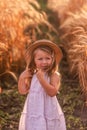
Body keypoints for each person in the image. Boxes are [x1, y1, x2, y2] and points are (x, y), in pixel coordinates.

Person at [18, 39, 66, 130]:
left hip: (48, 109)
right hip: (34, 110)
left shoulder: (53, 75)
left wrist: (41, 79)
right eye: (40, 59)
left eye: (48, 58)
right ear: (34, 61)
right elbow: (23, 91)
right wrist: (21, 78)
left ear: (52, 59)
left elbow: (52, 93)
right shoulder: (32, 74)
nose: (44, 62)